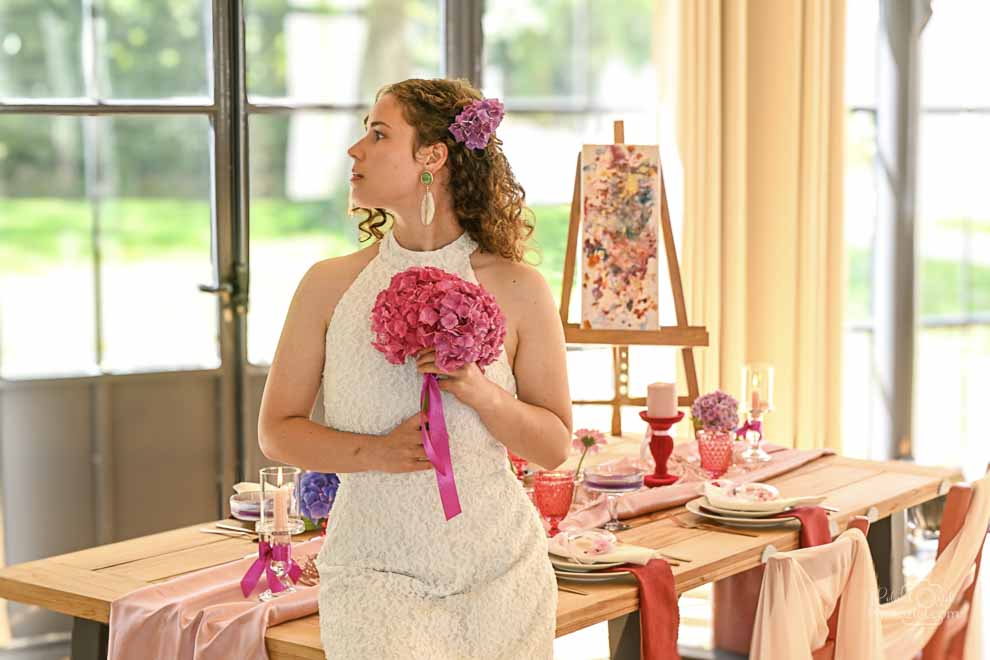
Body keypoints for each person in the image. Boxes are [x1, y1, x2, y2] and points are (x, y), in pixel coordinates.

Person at [257, 78, 573, 659]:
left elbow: (554, 447)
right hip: (373, 568)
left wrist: (481, 392)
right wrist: (377, 453)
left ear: (433, 157)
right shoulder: (329, 285)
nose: (356, 150)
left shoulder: (520, 287)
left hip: (502, 570)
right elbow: (277, 431)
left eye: (378, 134)